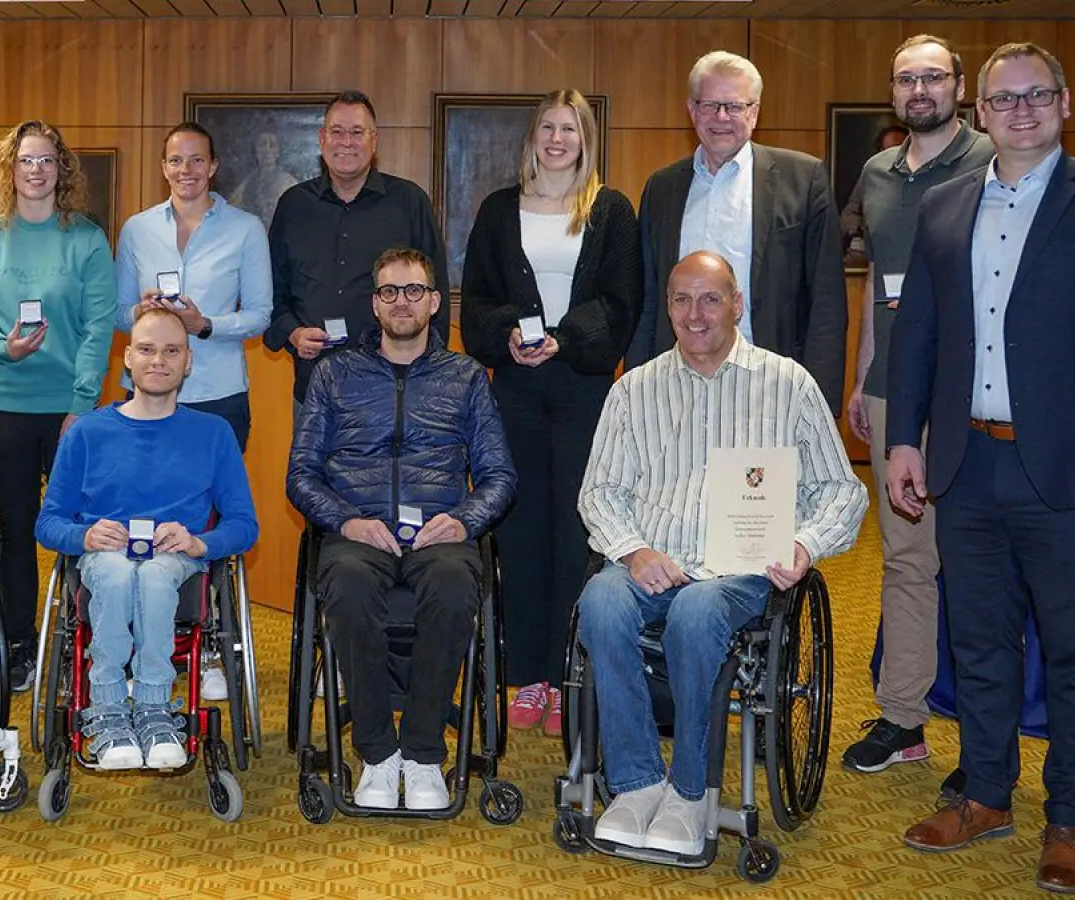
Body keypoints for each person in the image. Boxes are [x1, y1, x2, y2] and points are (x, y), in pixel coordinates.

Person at [887, 42, 1075, 894]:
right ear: (980, 112)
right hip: (967, 465)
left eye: (1035, 96)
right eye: (1003, 99)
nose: (1019, 111)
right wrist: (906, 438)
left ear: (1064, 101)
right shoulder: (942, 207)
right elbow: (918, 337)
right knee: (978, 644)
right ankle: (984, 795)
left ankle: (1073, 820)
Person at [577, 251, 866, 854]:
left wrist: (805, 544)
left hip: (739, 573)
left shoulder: (788, 385)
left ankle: (689, 792)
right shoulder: (635, 389)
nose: (695, 313)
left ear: (738, 305)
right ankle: (635, 784)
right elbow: (599, 492)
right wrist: (633, 552)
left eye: (711, 298)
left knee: (697, 611)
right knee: (599, 601)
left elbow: (842, 489)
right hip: (652, 562)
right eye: (681, 299)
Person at [286, 247, 516, 811]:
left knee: (457, 584)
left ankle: (421, 752)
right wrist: (346, 520)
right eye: (389, 291)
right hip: (358, 531)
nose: (402, 302)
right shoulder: (335, 374)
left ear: (435, 302)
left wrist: (462, 521)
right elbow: (301, 474)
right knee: (347, 584)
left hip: (437, 533)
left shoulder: (464, 377)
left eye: (414, 291)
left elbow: (499, 475)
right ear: (375, 303)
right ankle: (377, 754)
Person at [459, 89, 642, 739]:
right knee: (519, 530)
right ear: (532, 137)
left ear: (585, 138)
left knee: (579, 530)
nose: (558, 138)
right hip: (512, 390)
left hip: (583, 388)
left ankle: (570, 670)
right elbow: (476, 302)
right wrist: (507, 334)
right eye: (548, 127)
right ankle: (526, 674)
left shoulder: (611, 211)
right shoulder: (497, 210)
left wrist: (565, 339)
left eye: (570, 128)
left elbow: (624, 301)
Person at [839, 35, 993, 781]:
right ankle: (903, 718)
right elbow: (879, 280)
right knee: (905, 561)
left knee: (977, 567)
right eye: (906, 79)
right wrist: (867, 373)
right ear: (894, 94)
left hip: (971, 397)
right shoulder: (876, 172)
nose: (920, 89)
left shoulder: (994, 161)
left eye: (933, 76)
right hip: (896, 391)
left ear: (960, 86)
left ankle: (985, 745)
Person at [36, 307, 258, 770]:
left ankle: (156, 708)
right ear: (128, 360)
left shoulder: (213, 434)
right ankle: (109, 709)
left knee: (157, 576)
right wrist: (86, 534)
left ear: (188, 362)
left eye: (172, 351)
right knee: (116, 572)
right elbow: (48, 523)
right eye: (147, 349)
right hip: (105, 556)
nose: (159, 361)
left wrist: (199, 543)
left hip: (177, 558)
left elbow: (243, 524)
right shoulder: (87, 432)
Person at [0, 120, 118, 694]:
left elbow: (100, 326)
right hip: (6, 406)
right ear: (9, 168)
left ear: (62, 170)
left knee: (84, 530)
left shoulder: (87, 239)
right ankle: (22, 644)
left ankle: (90, 643)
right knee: (19, 535)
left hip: (71, 411)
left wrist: (81, 403)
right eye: (26, 160)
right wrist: (4, 348)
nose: (35, 170)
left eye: (47, 160)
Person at [624, 51, 849, 416]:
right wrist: (637, 388)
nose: (722, 117)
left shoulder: (803, 179)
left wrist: (819, 404)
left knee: (762, 477)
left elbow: (826, 303)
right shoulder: (662, 188)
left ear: (755, 111)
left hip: (771, 389)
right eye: (710, 105)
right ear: (691, 110)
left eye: (734, 105)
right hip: (676, 390)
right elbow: (648, 298)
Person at [266, 90, 451, 408]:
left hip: (395, 392)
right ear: (322, 139)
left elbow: (437, 296)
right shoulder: (293, 206)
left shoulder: (409, 203)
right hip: (315, 389)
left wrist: (428, 373)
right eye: (337, 132)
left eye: (357, 132)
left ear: (374, 140)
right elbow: (271, 292)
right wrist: (293, 333)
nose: (346, 142)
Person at [115, 122, 271, 453]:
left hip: (217, 394)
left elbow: (261, 314)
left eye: (197, 160)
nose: (185, 170)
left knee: (212, 503)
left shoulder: (246, 229)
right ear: (163, 167)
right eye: (175, 160)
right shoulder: (136, 229)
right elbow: (117, 313)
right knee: (145, 499)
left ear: (213, 166)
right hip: (147, 390)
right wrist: (140, 313)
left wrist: (204, 325)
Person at [840, 123, 912, 268]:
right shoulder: (872, 175)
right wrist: (857, 233)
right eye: (889, 150)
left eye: (899, 148)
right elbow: (850, 213)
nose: (895, 154)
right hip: (878, 253)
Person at [229, 130, 299, 231]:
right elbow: (232, 211)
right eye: (262, 144)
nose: (267, 149)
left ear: (278, 152)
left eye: (272, 145)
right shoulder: (246, 183)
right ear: (256, 151)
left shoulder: (288, 183)